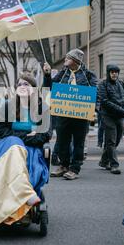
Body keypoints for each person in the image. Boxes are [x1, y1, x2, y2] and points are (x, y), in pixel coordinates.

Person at [0, 72, 51, 232]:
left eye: (27, 84)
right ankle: (23, 197)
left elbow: (45, 134)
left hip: (31, 149)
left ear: (33, 89)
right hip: (6, 146)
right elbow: (0, 133)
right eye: (20, 84)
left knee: (26, 155)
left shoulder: (42, 107)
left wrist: (23, 138)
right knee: (14, 142)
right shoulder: (8, 106)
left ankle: (20, 206)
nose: (23, 87)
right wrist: (26, 136)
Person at [44, 49, 98, 180]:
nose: (65, 60)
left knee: (79, 142)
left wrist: (93, 108)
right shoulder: (63, 73)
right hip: (63, 114)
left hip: (80, 115)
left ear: (75, 60)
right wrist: (47, 75)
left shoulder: (89, 75)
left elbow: (95, 93)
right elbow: (49, 87)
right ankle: (64, 165)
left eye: (68, 58)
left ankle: (74, 168)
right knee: (62, 141)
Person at [97, 64, 124, 174]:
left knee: (116, 140)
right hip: (107, 116)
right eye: (112, 72)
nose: (114, 74)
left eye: (116, 72)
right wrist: (122, 110)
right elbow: (105, 101)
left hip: (120, 116)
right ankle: (114, 165)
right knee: (111, 140)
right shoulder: (102, 84)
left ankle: (103, 161)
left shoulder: (122, 83)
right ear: (108, 73)